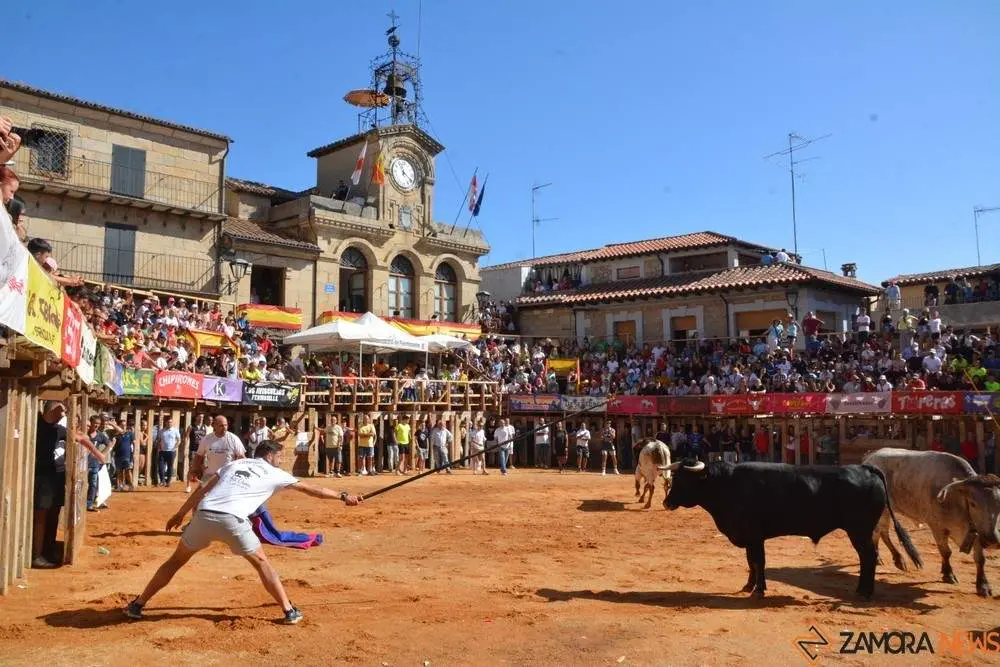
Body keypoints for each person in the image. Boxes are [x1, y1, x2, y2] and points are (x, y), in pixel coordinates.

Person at [124, 440, 362, 625]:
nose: (281, 460)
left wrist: (180, 514)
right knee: (262, 563)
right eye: (279, 456)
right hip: (234, 520)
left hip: (204, 515)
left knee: (175, 561)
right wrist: (342, 496)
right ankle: (289, 610)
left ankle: (138, 604)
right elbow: (313, 489)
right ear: (269, 455)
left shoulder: (234, 464)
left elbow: (203, 490)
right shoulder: (275, 473)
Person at [33, 402, 104, 568]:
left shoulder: (58, 429)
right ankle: (36, 555)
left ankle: (48, 549)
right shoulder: (38, 425)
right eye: (63, 410)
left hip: (56, 477)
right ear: (54, 410)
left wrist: (98, 453)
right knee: (41, 516)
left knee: (53, 515)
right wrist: (98, 454)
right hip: (43, 478)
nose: (64, 413)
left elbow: (81, 438)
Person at [190, 416, 247, 484]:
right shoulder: (207, 439)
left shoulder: (234, 439)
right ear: (214, 426)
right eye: (221, 426)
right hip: (210, 476)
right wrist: (195, 471)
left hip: (228, 477)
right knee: (202, 490)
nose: (224, 428)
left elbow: (242, 457)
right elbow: (198, 456)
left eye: (226, 425)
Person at [86, 415, 113, 511]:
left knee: (93, 483)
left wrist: (101, 454)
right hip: (83, 462)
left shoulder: (100, 435)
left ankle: (89, 504)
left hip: (94, 463)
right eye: (95, 423)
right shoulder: (85, 433)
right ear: (91, 423)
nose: (96, 425)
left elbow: (109, 444)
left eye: (98, 424)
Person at [183, 414, 208, 493]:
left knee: (204, 468)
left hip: (202, 451)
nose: (201, 419)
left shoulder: (205, 427)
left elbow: (206, 439)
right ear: (196, 418)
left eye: (202, 417)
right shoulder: (191, 427)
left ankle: (203, 486)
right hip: (193, 450)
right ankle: (188, 485)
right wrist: (185, 449)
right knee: (191, 467)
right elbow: (186, 438)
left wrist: (207, 450)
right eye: (199, 417)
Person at [156, 416, 181, 487]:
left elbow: (179, 440)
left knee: (170, 466)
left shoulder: (175, 430)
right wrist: (160, 448)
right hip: (162, 451)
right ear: (165, 423)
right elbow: (158, 440)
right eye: (168, 422)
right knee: (160, 466)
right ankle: (162, 481)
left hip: (171, 451)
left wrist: (174, 448)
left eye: (171, 422)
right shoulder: (162, 431)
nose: (170, 423)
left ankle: (168, 482)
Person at [114, 419, 136, 492]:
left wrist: (134, 453)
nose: (123, 426)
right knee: (119, 471)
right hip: (118, 455)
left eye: (124, 425)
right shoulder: (116, 435)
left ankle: (131, 485)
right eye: (122, 425)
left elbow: (134, 443)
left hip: (127, 455)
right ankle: (120, 486)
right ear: (119, 426)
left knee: (128, 471)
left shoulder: (130, 434)